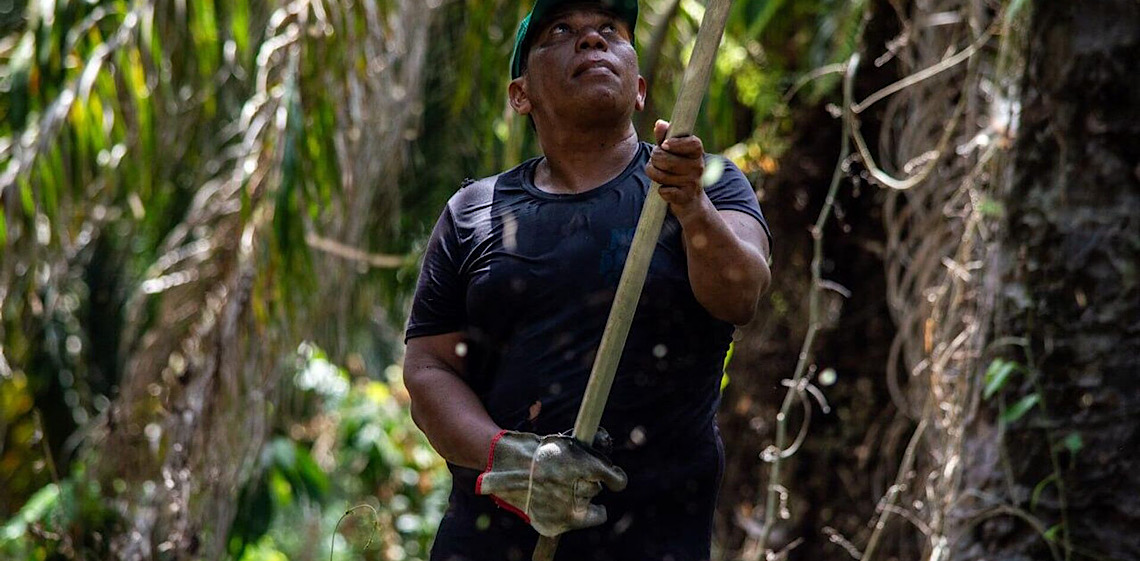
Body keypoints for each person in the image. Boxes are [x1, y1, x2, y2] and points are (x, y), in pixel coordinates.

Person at [402, 1, 772, 559]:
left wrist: (691, 206)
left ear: (640, 89)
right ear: (520, 94)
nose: (593, 41)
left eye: (610, 32)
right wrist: (512, 461)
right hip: (494, 543)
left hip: (652, 538)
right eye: (562, 31)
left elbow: (741, 295)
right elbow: (429, 368)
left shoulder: (708, 184)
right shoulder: (472, 212)